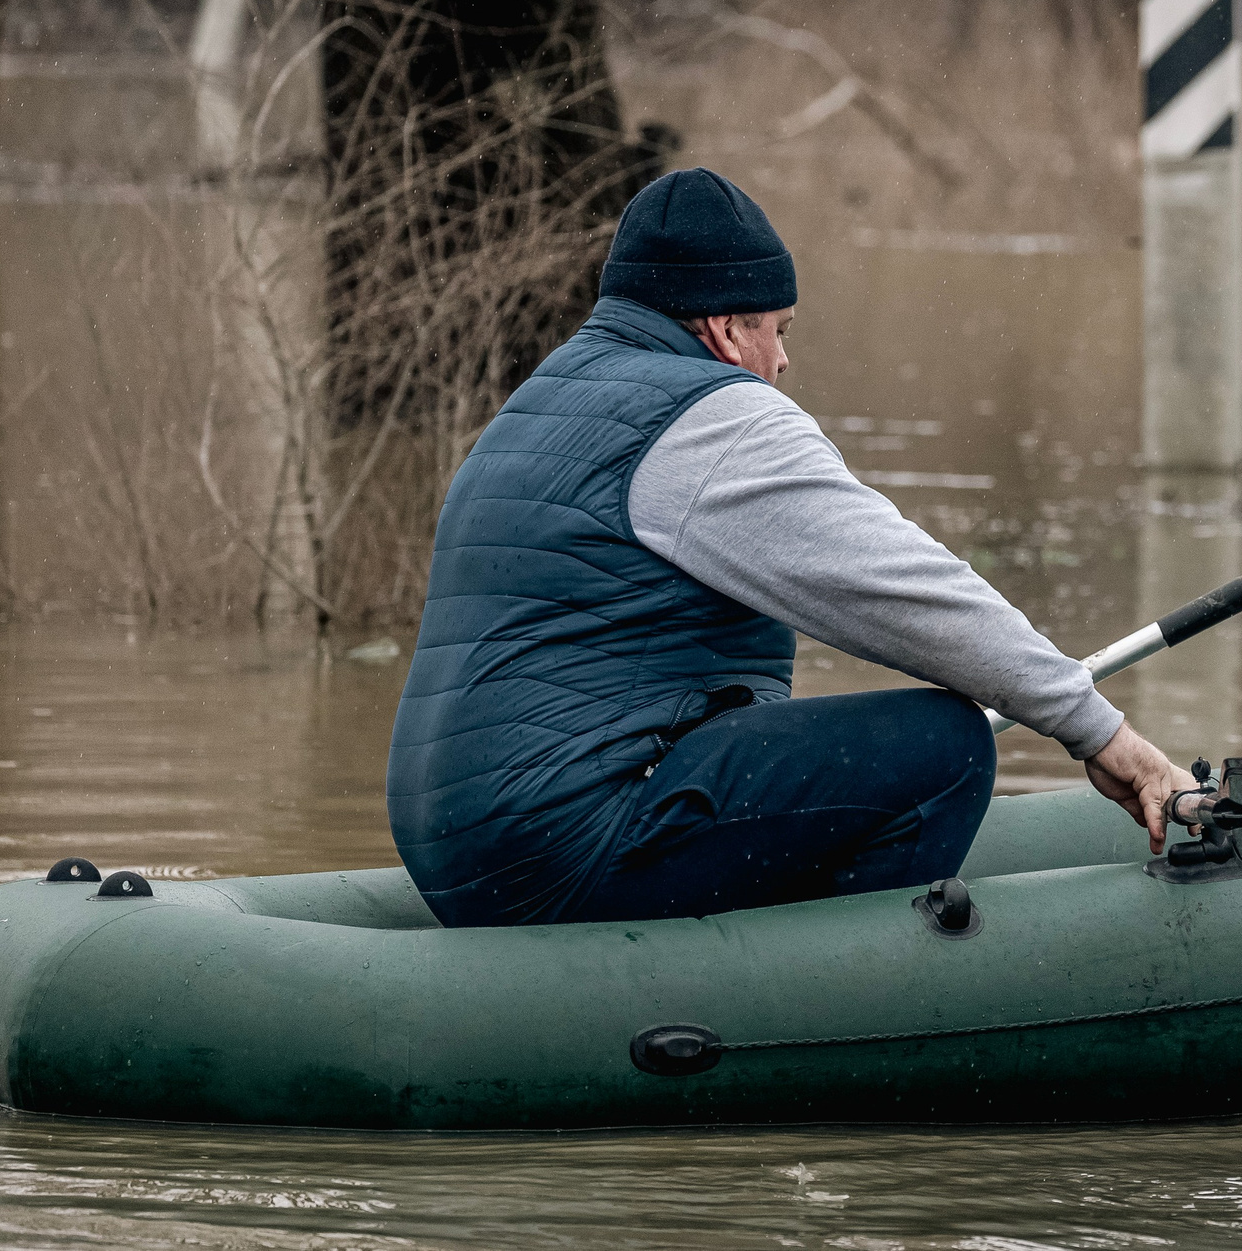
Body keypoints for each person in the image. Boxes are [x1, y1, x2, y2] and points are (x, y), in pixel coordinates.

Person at [386, 167, 1198, 927]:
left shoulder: (545, 398)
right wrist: (1099, 733)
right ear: (724, 328)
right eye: (776, 330)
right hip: (560, 842)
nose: (783, 358)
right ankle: (837, 1008)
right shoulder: (711, 418)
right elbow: (909, 591)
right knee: (946, 746)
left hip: (453, 847)